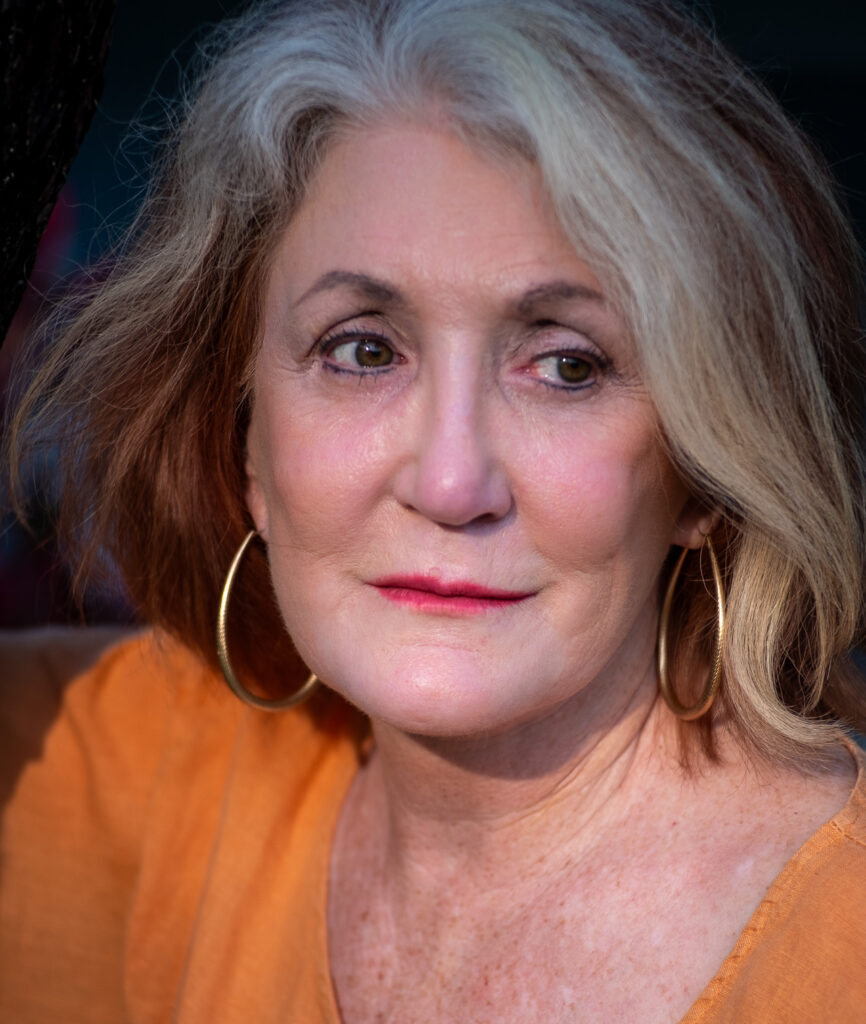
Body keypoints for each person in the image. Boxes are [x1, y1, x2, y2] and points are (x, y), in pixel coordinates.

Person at [2, 0, 865, 1020]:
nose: (451, 483)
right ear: (242, 441)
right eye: (362, 349)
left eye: (566, 365)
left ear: (702, 474)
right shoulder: (92, 772)